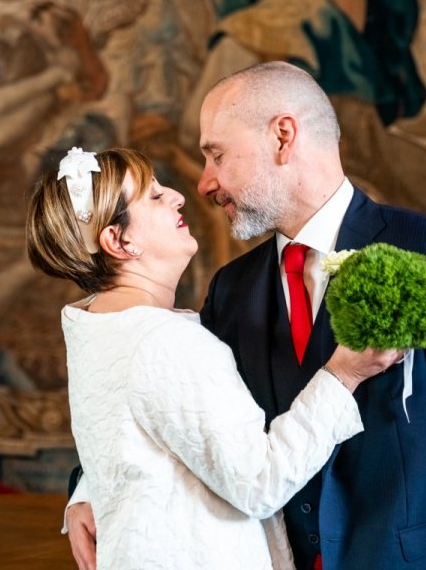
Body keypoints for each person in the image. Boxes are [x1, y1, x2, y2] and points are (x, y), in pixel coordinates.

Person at [68, 62, 426, 569]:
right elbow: (169, 402)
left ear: (283, 137)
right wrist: (88, 488)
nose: (204, 184)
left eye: (217, 155)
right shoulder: (233, 288)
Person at [27, 146, 403, 569]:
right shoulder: (164, 341)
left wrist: (87, 491)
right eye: (153, 196)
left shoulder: (94, 326)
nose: (178, 196)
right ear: (119, 240)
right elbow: (260, 482)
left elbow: (129, 440)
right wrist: (343, 375)